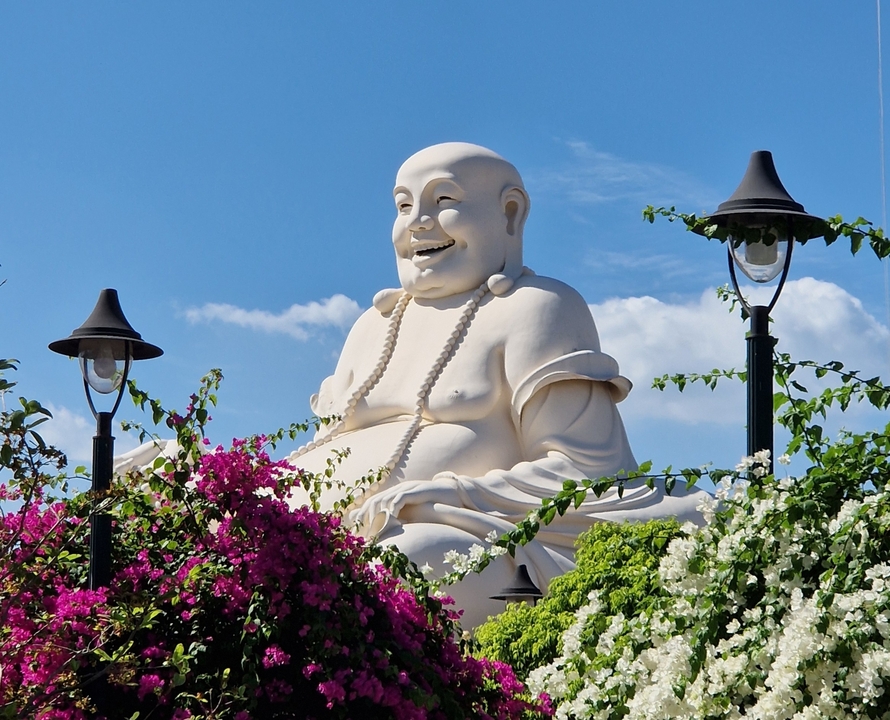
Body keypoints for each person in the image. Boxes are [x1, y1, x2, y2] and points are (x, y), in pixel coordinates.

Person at [287, 142, 705, 627]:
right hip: (329, 533)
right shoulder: (371, 328)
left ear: (510, 214)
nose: (418, 221)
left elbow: (589, 471)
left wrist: (449, 497)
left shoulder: (538, 307)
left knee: (400, 567)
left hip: (487, 539)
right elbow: (323, 451)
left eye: (443, 202)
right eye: (404, 206)